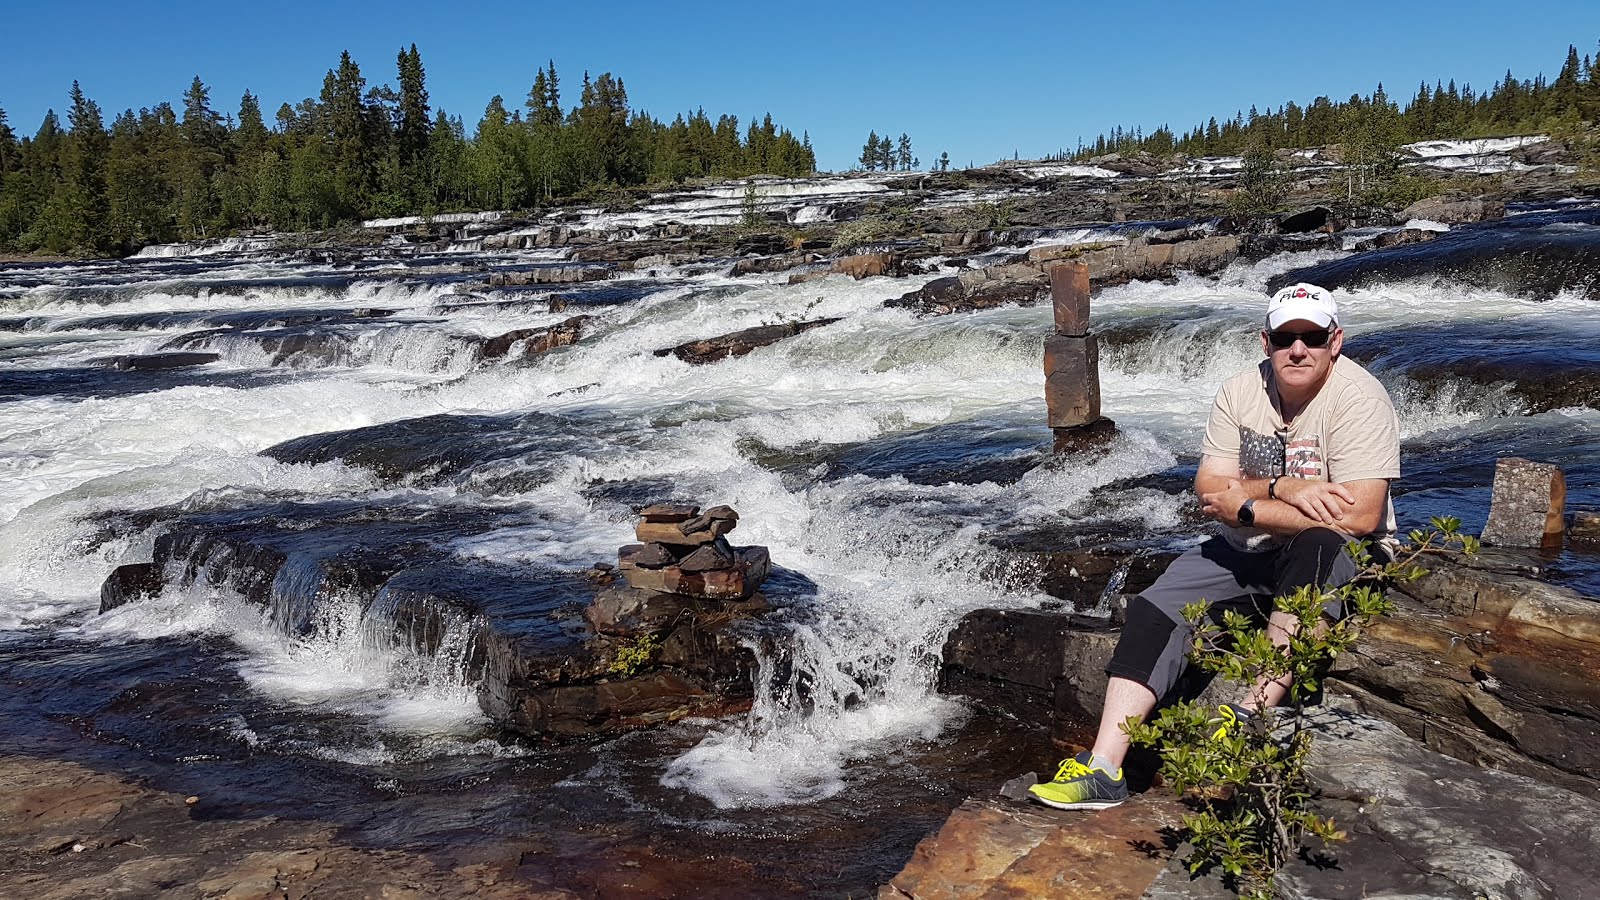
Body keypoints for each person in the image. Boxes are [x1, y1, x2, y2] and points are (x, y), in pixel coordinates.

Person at [1029, 282, 1400, 811]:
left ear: (1334, 341)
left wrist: (1245, 503)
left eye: (1312, 337)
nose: (1298, 349)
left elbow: (1358, 516)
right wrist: (1278, 490)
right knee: (1156, 605)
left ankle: (1250, 716)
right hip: (1247, 547)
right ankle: (1104, 769)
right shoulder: (1239, 392)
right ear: (1265, 341)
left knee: (1319, 542)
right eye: (1285, 337)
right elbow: (1209, 489)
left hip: (1342, 550)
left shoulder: (1360, 399)